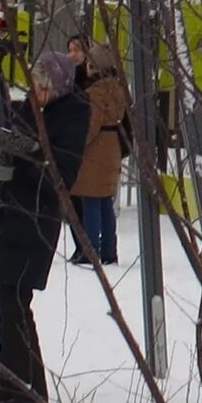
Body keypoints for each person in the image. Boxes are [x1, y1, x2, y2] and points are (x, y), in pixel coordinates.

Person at [0, 52, 89, 403]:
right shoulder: (29, 109)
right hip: (8, 212)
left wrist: (28, 150)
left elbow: (63, 172)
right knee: (6, 302)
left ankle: (27, 390)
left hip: (35, 217)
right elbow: (10, 145)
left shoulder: (72, 113)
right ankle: (9, 385)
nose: (36, 93)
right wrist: (1, 153)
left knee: (15, 302)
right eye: (34, 86)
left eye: (43, 87)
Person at [67, 39, 128, 266]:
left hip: (96, 150)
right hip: (111, 147)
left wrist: (76, 143)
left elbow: (90, 125)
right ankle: (109, 250)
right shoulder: (118, 88)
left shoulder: (95, 92)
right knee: (105, 202)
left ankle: (89, 250)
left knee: (91, 201)